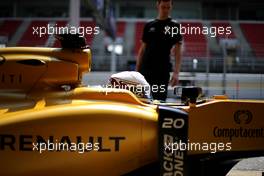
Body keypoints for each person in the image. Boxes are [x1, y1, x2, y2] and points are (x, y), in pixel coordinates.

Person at [136, 0, 182, 101]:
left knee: (159, 102)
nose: (165, 10)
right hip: (145, 71)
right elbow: (142, 50)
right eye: (163, 7)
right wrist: (137, 71)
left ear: (171, 7)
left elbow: (178, 52)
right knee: (143, 101)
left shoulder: (174, 26)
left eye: (168, 7)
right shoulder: (149, 25)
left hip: (162, 72)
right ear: (158, 5)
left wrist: (176, 72)